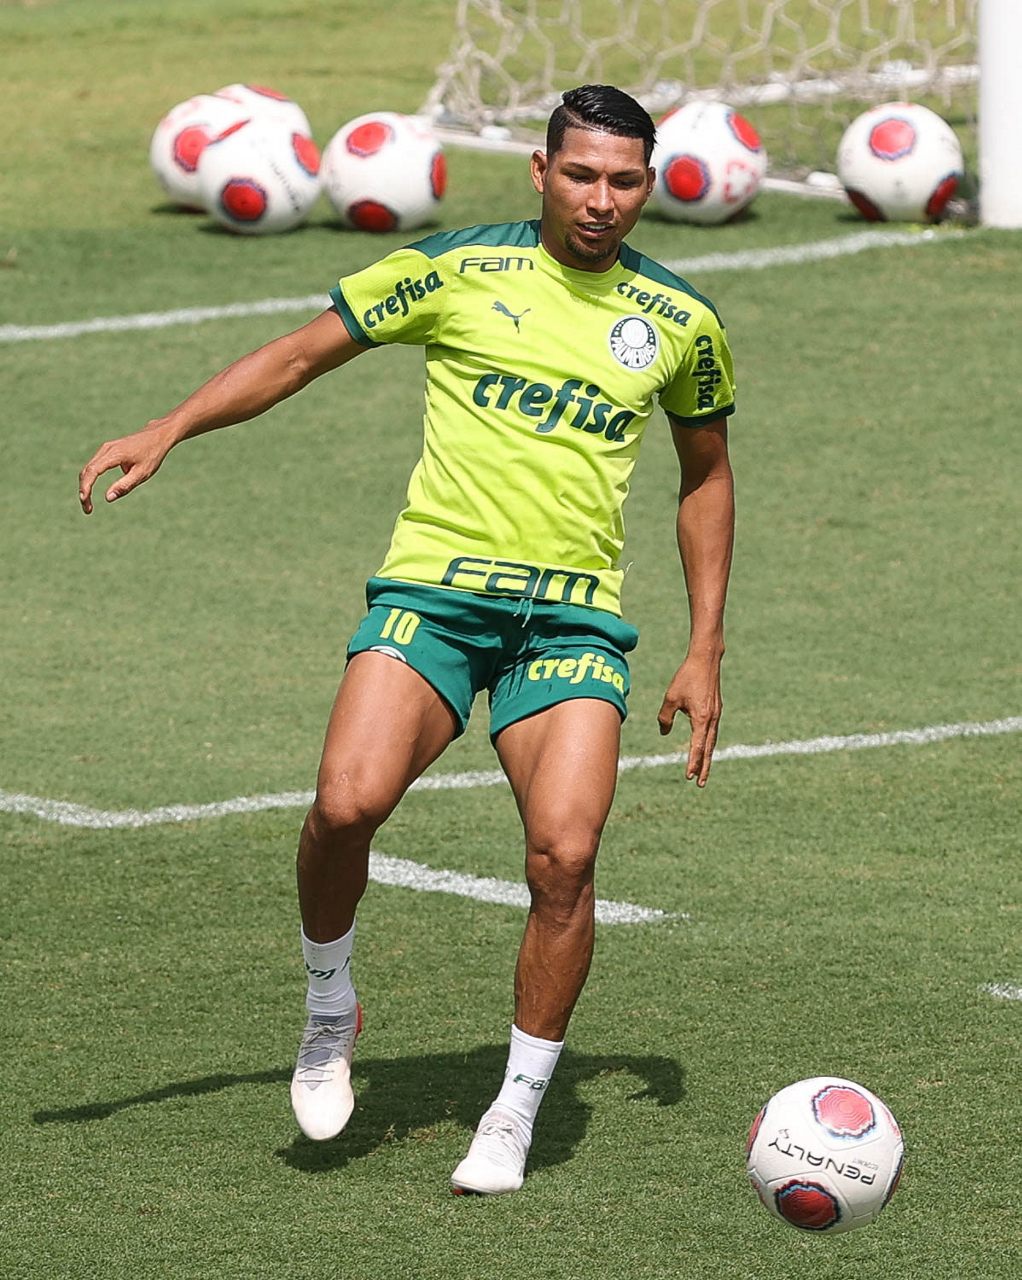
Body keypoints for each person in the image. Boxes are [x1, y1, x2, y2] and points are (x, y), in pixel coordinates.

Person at [78, 84, 736, 1196]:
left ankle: (513, 1108)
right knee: (343, 806)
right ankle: (329, 1004)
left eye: (624, 182)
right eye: (581, 175)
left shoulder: (678, 321)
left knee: (565, 856)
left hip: (571, 621)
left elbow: (705, 477)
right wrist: (171, 426)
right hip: (434, 597)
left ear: (647, 187)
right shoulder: (456, 269)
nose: (601, 201)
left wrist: (705, 644)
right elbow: (299, 356)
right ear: (540, 171)